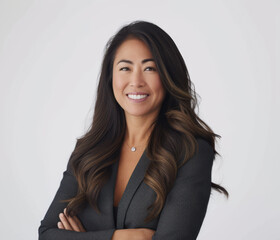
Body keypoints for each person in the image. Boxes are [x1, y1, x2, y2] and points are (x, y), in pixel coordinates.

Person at [38, 20, 228, 240]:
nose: (136, 81)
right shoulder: (88, 150)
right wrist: (128, 237)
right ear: (111, 77)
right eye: (125, 68)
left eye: (149, 68)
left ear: (168, 76)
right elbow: (47, 234)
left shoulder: (190, 151)